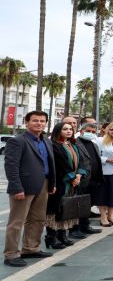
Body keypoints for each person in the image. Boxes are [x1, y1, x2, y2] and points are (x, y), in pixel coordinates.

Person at [3, 111, 55, 267]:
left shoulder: (46, 140)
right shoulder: (17, 141)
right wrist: (16, 187)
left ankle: (31, 248)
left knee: (38, 219)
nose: (39, 123)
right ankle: (11, 254)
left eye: (42, 121)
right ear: (27, 122)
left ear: (46, 123)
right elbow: (11, 166)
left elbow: (50, 164)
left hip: (44, 184)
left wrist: (52, 184)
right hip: (23, 187)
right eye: (35, 121)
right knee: (16, 222)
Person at [73, 122, 103, 235]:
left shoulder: (94, 144)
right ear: (81, 131)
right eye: (88, 131)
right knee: (77, 205)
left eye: (93, 132)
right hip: (81, 179)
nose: (91, 133)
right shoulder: (75, 143)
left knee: (87, 204)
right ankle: (75, 228)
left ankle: (85, 225)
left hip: (93, 179)